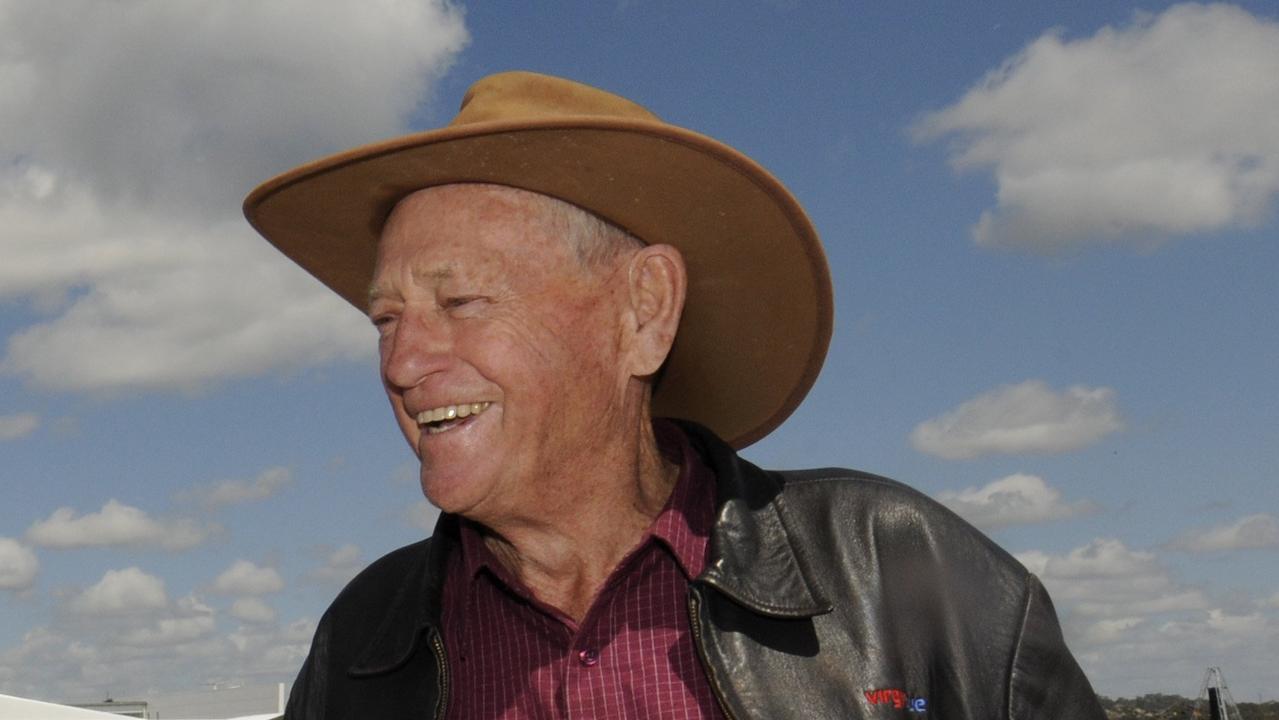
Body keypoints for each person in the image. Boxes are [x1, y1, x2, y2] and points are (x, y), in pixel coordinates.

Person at [244, 71, 1105, 719]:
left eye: (460, 302)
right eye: (384, 319)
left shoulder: (894, 570)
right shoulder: (365, 642)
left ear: (642, 311)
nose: (402, 362)